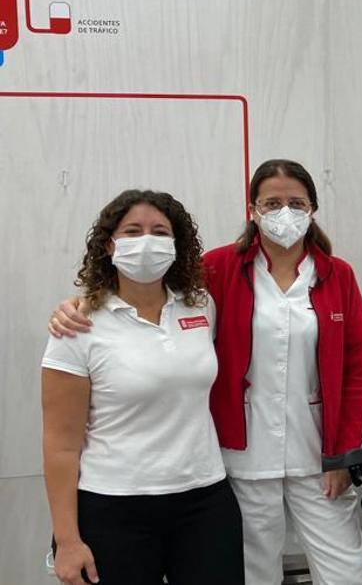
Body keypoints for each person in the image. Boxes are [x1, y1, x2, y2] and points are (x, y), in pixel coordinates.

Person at [51, 160, 362, 585]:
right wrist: (78, 304)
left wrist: (343, 455)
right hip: (241, 453)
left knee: (347, 572)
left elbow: (355, 368)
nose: (284, 213)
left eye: (296, 203)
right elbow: (148, 291)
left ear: (312, 209)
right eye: (272, 203)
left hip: (318, 452)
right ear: (252, 209)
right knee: (255, 572)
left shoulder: (337, 274)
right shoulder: (219, 268)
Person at [42, 190, 244, 585]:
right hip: (113, 508)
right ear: (109, 244)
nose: (146, 241)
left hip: (204, 501)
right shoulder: (78, 326)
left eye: (159, 231)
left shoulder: (200, 306)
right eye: (132, 231)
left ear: (176, 244)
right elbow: (60, 445)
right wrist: (66, 541)